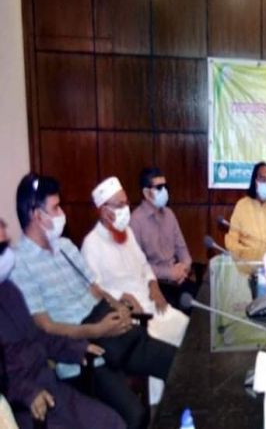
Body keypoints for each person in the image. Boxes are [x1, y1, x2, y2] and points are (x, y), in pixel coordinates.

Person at [10, 173, 176, 429]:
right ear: (36, 215)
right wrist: (97, 330)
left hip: (111, 333)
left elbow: (95, 289)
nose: (61, 214)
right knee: (135, 416)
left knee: (176, 362)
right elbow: (45, 326)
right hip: (80, 353)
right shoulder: (20, 263)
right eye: (55, 208)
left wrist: (118, 306)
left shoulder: (65, 247)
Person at [0, 218, 126, 429]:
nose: (8, 254)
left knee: (112, 422)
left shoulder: (9, 290)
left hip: (51, 388)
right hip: (25, 406)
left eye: (6, 245)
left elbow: (38, 337)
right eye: (1, 249)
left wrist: (76, 348)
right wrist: (27, 393)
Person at [82, 177, 189, 405]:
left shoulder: (127, 234)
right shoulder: (91, 245)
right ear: (104, 211)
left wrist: (154, 286)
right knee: (160, 344)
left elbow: (144, 266)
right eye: (119, 205)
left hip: (152, 304)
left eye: (126, 203)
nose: (126, 209)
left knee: (187, 328)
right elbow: (94, 291)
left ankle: (181, 392)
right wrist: (122, 298)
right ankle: (158, 405)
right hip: (131, 317)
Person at [130, 167, 198, 313]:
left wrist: (184, 267)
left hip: (179, 278)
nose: (165, 191)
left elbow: (182, 249)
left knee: (202, 302)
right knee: (177, 315)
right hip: (155, 285)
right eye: (159, 187)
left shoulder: (169, 214)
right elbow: (138, 266)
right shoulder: (135, 221)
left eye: (166, 186)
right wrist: (169, 273)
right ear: (146, 193)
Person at [224, 162, 266, 261]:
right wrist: (249, 254)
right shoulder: (242, 206)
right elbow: (231, 241)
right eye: (262, 179)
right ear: (255, 181)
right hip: (249, 264)